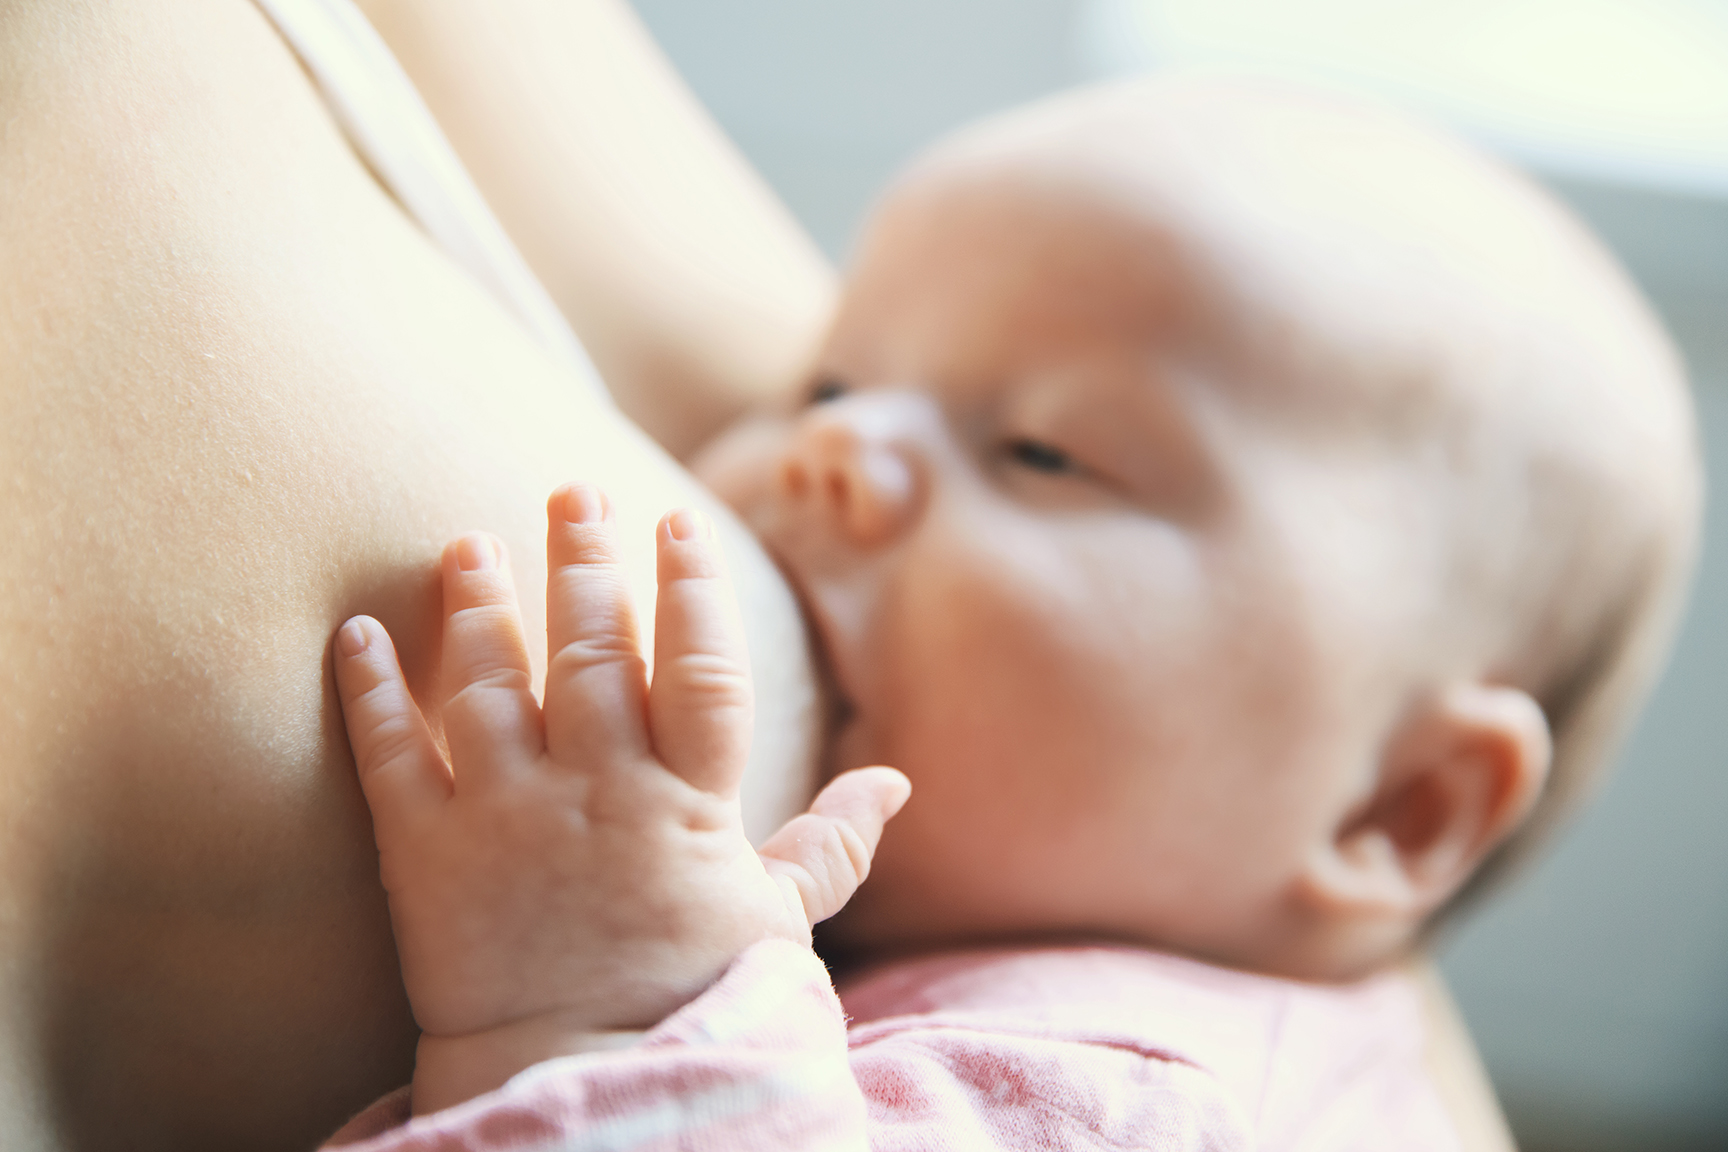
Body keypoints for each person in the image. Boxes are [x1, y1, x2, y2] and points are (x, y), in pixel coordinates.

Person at [318, 76, 1701, 1148]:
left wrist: (600, 1027)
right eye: (834, 384)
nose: (838, 455)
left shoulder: (1121, 1101)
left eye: (1044, 452)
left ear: (1392, 807)